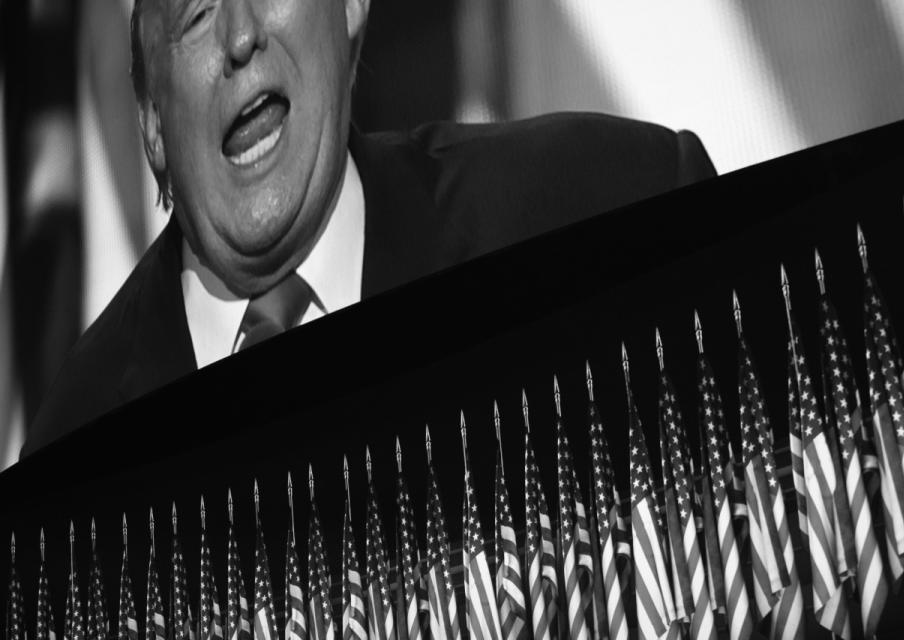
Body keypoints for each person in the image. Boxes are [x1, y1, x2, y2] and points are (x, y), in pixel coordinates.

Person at [21, 0, 715, 457]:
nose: (240, 39)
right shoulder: (74, 450)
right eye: (197, 13)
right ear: (150, 123)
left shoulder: (612, 211)